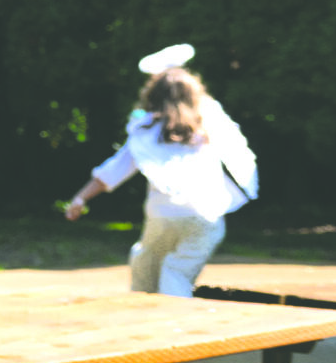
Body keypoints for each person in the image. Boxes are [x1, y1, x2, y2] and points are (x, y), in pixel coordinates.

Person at [63, 43, 258, 297]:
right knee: (176, 271)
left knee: (146, 263)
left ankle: (149, 313)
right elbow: (239, 154)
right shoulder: (209, 125)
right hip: (206, 216)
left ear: (153, 96)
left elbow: (113, 171)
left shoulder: (146, 132)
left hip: (163, 214)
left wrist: (80, 199)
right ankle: (176, 318)